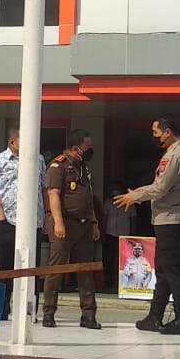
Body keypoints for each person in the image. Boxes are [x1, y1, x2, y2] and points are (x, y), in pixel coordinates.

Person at [115, 118, 180, 334]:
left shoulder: (176, 155)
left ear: (168, 132)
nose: (154, 136)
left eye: (156, 132)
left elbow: (160, 188)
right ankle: (155, 315)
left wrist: (135, 196)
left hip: (172, 220)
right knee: (164, 271)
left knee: (174, 272)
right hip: (168, 219)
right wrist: (138, 194)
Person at [43, 129, 101, 330]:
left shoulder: (83, 167)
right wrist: (58, 222)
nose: (91, 150)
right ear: (76, 148)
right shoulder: (58, 165)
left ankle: (88, 315)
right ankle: (49, 313)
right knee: (56, 270)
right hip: (64, 224)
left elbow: (88, 197)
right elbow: (54, 195)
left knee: (85, 270)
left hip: (84, 225)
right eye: (88, 147)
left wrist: (94, 223)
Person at [0, 128, 45, 314]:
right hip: (8, 221)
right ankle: (1, 309)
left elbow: (43, 187)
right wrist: (1, 218)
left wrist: (47, 216)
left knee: (31, 267)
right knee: (4, 267)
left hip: (33, 221)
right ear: (13, 142)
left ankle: (29, 311)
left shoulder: (39, 159)